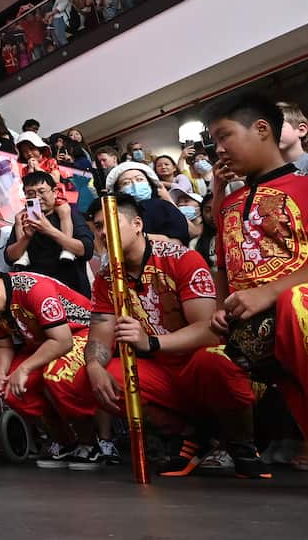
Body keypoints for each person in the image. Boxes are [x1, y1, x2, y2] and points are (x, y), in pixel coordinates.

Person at [78, 196, 261, 476]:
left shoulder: (182, 258)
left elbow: (209, 331)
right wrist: (93, 365)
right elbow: (100, 333)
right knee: (105, 375)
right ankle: (191, 437)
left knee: (213, 360)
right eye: (98, 228)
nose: (103, 233)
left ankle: (241, 444)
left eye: (109, 224)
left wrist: (150, 342)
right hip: (161, 370)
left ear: (137, 224)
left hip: (196, 363)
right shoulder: (106, 277)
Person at [207, 94, 308, 450]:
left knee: (297, 304)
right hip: (259, 333)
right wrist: (222, 308)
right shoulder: (229, 205)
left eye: (224, 136)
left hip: (301, 314)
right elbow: (224, 265)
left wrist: (269, 293)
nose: (218, 149)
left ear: (262, 129)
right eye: (214, 142)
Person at [0, 266, 104, 468]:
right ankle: (65, 442)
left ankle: (91, 444)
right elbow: (2, 343)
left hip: (81, 333)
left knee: (56, 375)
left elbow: (63, 342)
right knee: (10, 388)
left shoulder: (34, 289)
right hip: (43, 344)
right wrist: (0, 373)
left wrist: (24, 369)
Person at [7, 172, 91, 294]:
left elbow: (86, 250)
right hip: (35, 292)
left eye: (42, 191)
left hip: (70, 292)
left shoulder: (70, 214)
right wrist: (26, 238)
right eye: (31, 193)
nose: (37, 197)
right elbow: (10, 257)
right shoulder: (23, 218)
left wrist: (50, 230)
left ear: (55, 192)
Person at [104, 162, 190, 244]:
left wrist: (139, 237)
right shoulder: (115, 214)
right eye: (126, 183)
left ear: (149, 184)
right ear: (118, 190)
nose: (135, 184)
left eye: (139, 179)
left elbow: (179, 241)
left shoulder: (164, 206)